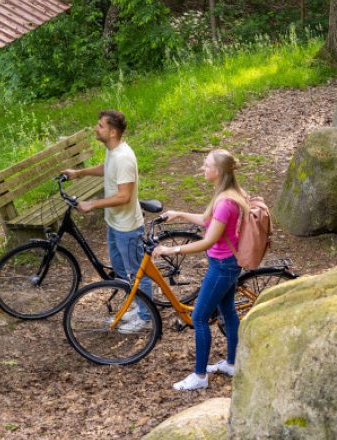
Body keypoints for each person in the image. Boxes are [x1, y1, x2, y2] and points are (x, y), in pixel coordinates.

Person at [157, 149, 247, 391]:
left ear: (219, 171)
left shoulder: (226, 202)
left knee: (198, 317)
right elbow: (209, 221)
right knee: (228, 311)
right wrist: (179, 214)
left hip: (222, 266)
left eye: (207, 165)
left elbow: (208, 241)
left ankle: (199, 376)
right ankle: (232, 363)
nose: (202, 168)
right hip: (228, 263)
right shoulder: (227, 194)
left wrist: (171, 250)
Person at [61, 110, 154, 333]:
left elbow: (124, 196)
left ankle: (146, 317)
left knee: (137, 273)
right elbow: (106, 169)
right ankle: (139, 305)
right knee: (121, 269)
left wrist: (92, 204)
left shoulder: (124, 158)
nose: (96, 128)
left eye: (100, 126)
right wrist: (79, 173)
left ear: (112, 132)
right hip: (114, 223)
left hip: (127, 227)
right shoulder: (112, 151)